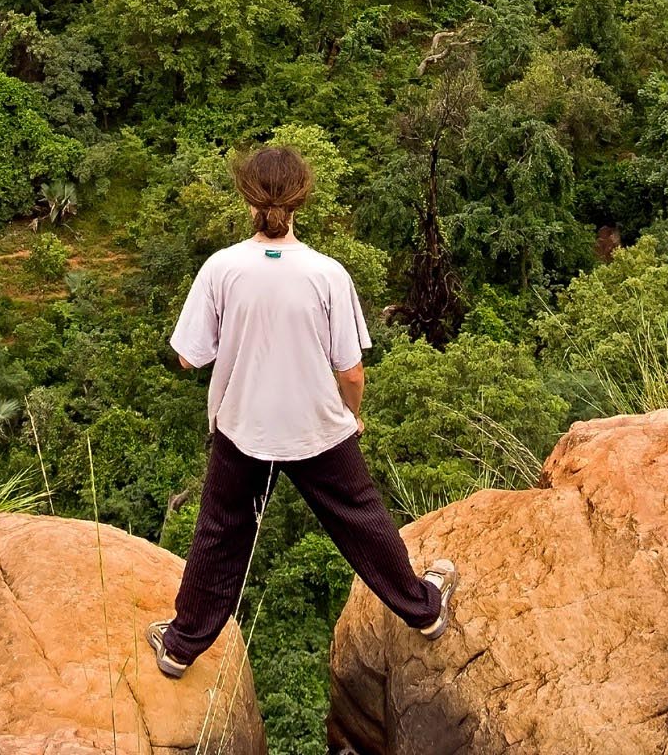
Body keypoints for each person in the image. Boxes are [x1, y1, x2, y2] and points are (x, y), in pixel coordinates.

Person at [147, 142, 458, 679]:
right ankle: (425, 612)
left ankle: (179, 648)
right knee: (362, 520)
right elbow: (351, 370)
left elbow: (187, 356)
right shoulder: (326, 273)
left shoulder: (223, 269)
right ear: (300, 201)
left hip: (241, 425)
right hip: (316, 426)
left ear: (248, 199)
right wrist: (352, 415)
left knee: (219, 533)